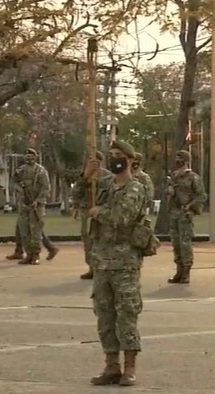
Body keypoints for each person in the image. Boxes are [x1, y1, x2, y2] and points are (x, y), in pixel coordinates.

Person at [87, 141, 146, 387]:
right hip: (102, 261)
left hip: (125, 262)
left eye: (119, 155)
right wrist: (86, 176)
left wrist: (97, 212)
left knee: (126, 314)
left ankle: (129, 367)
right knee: (105, 315)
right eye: (111, 156)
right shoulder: (104, 186)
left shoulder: (135, 188)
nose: (114, 159)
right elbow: (80, 200)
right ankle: (111, 365)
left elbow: (121, 218)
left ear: (131, 160)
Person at [166, 150, 207, 284]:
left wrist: (190, 205)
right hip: (174, 213)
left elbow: (202, 196)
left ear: (185, 161)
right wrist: (170, 192)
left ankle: (186, 272)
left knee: (185, 244)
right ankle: (178, 270)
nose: (178, 162)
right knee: (176, 243)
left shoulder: (193, 177)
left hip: (185, 214)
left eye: (180, 159)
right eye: (176, 159)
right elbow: (170, 192)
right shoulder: (174, 176)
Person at [70, 151, 112, 279]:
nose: (95, 163)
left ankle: (104, 268)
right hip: (86, 212)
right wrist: (85, 178)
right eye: (92, 160)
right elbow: (76, 194)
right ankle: (91, 268)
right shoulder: (84, 176)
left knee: (104, 241)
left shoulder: (107, 176)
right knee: (88, 241)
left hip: (102, 212)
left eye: (98, 160)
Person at [11, 148, 51, 265]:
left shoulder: (41, 171)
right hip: (24, 204)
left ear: (36, 157)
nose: (29, 158)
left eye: (32, 156)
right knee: (24, 230)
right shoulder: (20, 171)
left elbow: (45, 187)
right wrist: (19, 190)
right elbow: (13, 182)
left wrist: (38, 200)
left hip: (36, 205)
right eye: (27, 156)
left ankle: (36, 255)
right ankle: (28, 254)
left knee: (35, 231)